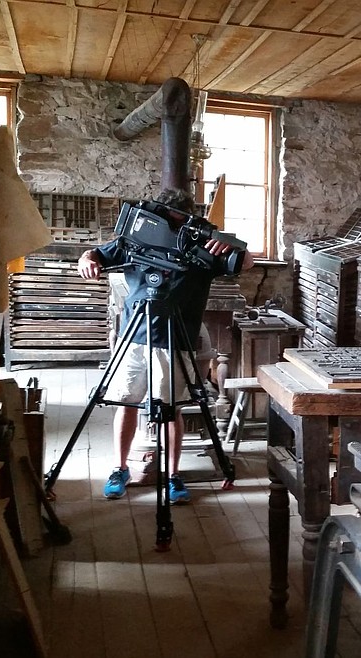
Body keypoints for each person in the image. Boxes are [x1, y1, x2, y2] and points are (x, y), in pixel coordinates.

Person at [77, 188, 254, 503]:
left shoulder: (202, 243)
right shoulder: (137, 235)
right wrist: (87, 259)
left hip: (176, 340)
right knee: (125, 402)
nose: (173, 228)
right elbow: (95, 255)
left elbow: (247, 261)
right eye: (168, 220)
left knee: (170, 410)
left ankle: (173, 475)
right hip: (134, 337)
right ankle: (120, 468)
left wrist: (232, 246)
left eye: (179, 221)